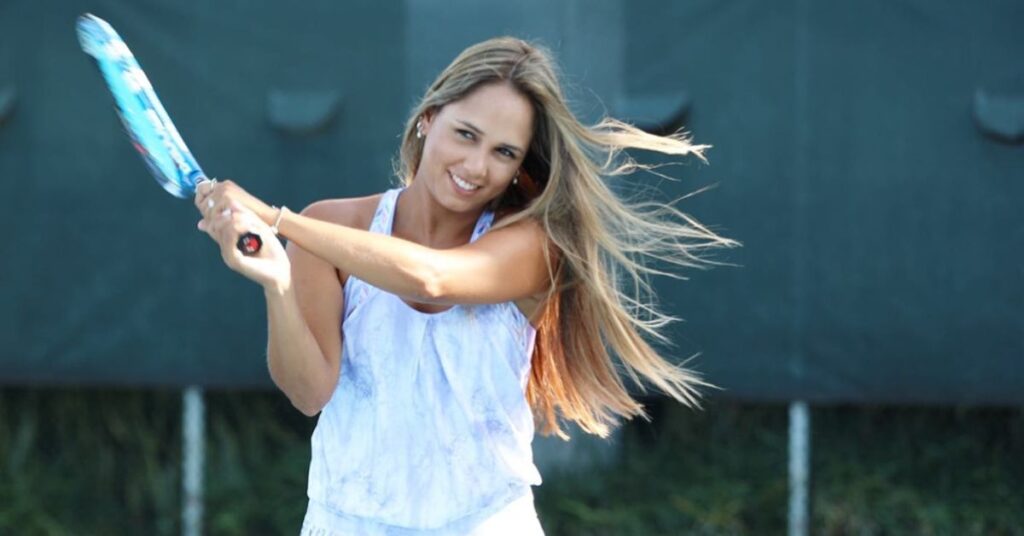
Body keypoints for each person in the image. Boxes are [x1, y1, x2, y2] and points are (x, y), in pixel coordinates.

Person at [194, 37, 737, 535]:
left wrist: (277, 219)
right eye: (466, 134)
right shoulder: (327, 229)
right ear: (429, 118)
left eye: (504, 152)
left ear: (521, 166)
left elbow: (432, 279)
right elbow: (309, 394)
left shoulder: (532, 245)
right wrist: (277, 284)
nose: (476, 166)